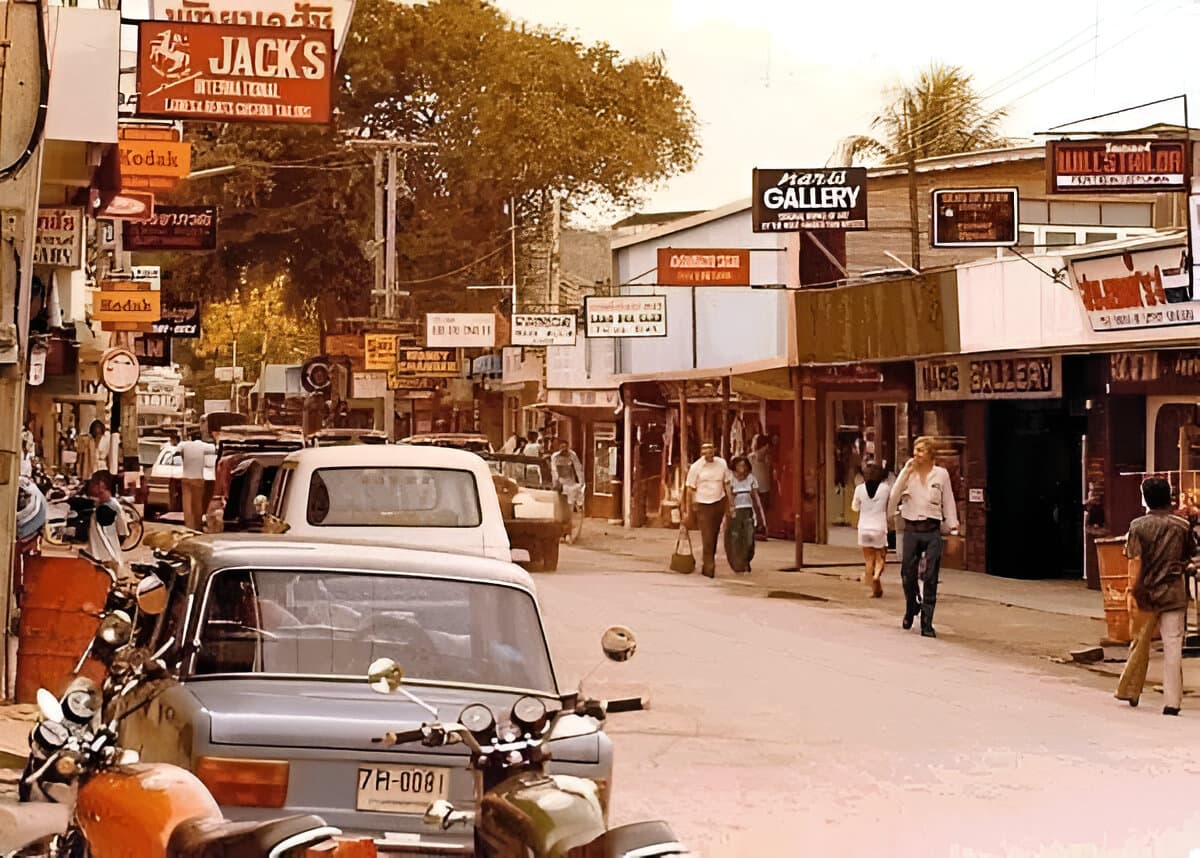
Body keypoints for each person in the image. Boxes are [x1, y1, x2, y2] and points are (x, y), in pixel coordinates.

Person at [1115, 477, 1195, 714]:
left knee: (1140, 643)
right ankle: (1172, 702)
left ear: (1145, 498)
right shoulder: (1182, 526)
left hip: (1145, 593)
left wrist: (1132, 589)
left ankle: (1131, 689)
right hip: (1174, 593)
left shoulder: (1138, 526)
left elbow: (1134, 559)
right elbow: (1189, 555)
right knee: (1173, 647)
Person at [887, 437, 959, 638]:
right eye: (915, 450)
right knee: (907, 574)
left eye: (921, 450)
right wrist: (905, 473)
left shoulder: (941, 474)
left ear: (930, 453)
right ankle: (912, 605)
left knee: (930, 575)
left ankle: (927, 621)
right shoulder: (908, 473)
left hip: (932, 529)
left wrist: (953, 530)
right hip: (911, 528)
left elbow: (948, 502)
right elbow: (893, 497)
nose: (916, 453)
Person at [684, 441, 732, 578]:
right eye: (705, 450)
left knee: (715, 533)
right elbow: (690, 488)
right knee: (707, 535)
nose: (708, 453)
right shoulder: (696, 467)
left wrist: (730, 503)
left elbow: (727, 484)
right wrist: (690, 508)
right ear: (701, 452)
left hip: (719, 502)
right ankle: (708, 565)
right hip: (703, 503)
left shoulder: (721, 464)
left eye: (710, 450)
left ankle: (709, 560)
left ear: (714, 451)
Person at [853, 464, 890, 598]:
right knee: (880, 557)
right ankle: (876, 575)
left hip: (864, 528)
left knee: (868, 559)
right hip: (879, 528)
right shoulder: (885, 489)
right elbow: (890, 505)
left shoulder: (859, 489)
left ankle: (873, 587)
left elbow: (855, 507)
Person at [724, 456, 765, 574]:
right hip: (735, 511)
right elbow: (728, 495)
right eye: (739, 465)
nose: (742, 468)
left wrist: (760, 513)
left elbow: (756, 497)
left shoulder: (751, 478)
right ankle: (737, 563)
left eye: (744, 465)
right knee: (735, 538)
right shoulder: (731, 478)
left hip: (748, 510)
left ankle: (746, 559)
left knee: (749, 538)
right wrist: (730, 508)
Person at [85, 470, 127, 571]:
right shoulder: (111, 505)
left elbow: (111, 536)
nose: (90, 485)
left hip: (105, 561)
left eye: (93, 483)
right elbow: (122, 532)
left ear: (101, 485)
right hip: (107, 559)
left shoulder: (107, 510)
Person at [179, 430, 215, 530]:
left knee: (187, 504)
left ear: (191, 438)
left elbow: (179, 451)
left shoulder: (184, 445)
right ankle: (197, 525)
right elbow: (214, 448)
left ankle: (188, 525)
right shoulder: (204, 446)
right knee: (197, 503)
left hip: (186, 478)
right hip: (198, 478)